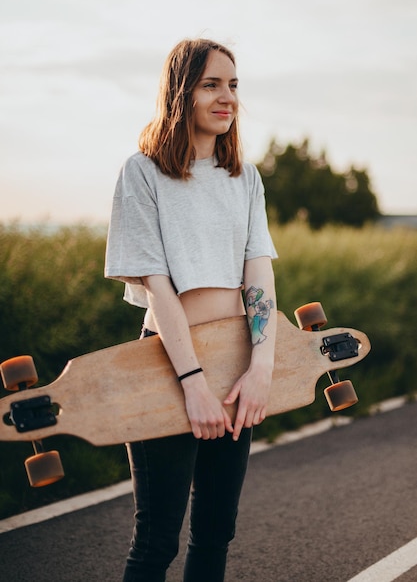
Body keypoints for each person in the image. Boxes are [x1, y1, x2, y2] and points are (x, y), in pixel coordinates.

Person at [105, 37, 278, 582]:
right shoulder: (143, 172)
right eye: (211, 84)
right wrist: (193, 382)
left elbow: (258, 274)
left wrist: (261, 367)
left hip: (235, 366)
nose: (227, 97)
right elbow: (157, 284)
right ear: (182, 93)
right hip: (166, 364)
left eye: (232, 85)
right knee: (157, 540)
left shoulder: (244, 178)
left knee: (215, 534)